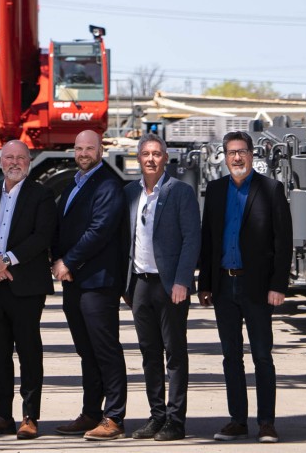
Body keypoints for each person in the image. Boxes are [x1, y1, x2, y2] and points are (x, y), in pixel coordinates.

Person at [197, 130, 292, 444]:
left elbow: (283, 241)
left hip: (257, 288)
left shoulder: (271, 190)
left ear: (252, 154)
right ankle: (238, 419)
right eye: (231, 152)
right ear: (224, 157)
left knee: (262, 356)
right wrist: (205, 283)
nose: (236, 157)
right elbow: (208, 239)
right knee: (230, 357)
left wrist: (278, 285)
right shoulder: (214, 190)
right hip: (224, 285)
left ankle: (266, 422)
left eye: (241, 151)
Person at [0, 140, 56, 440]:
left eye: (20, 157)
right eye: (8, 157)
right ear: (0, 161)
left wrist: (6, 260)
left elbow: (42, 236)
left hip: (25, 287)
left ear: (29, 161)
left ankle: (30, 417)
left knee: (29, 352)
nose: (14, 162)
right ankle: (1, 415)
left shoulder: (42, 195)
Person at [52, 129, 128, 441]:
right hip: (75, 283)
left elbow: (100, 230)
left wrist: (68, 261)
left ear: (101, 150)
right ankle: (90, 413)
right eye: (79, 148)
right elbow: (61, 227)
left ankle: (114, 417)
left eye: (89, 148)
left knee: (105, 350)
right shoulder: (74, 182)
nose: (84, 153)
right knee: (87, 351)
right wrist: (57, 261)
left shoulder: (108, 184)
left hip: (98, 283)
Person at [123, 133, 200, 442]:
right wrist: (124, 283)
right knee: (148, 353)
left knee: (175, 353)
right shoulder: (130, 192)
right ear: (139, 159)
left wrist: (183, 280)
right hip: (139, 283)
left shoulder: (180, 191)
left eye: (157, 153)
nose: (151, 159)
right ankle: (156, 417)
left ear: (165, 158)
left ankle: (175, 420)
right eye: (146, 154)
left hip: (170, 286)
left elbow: (192, 238)